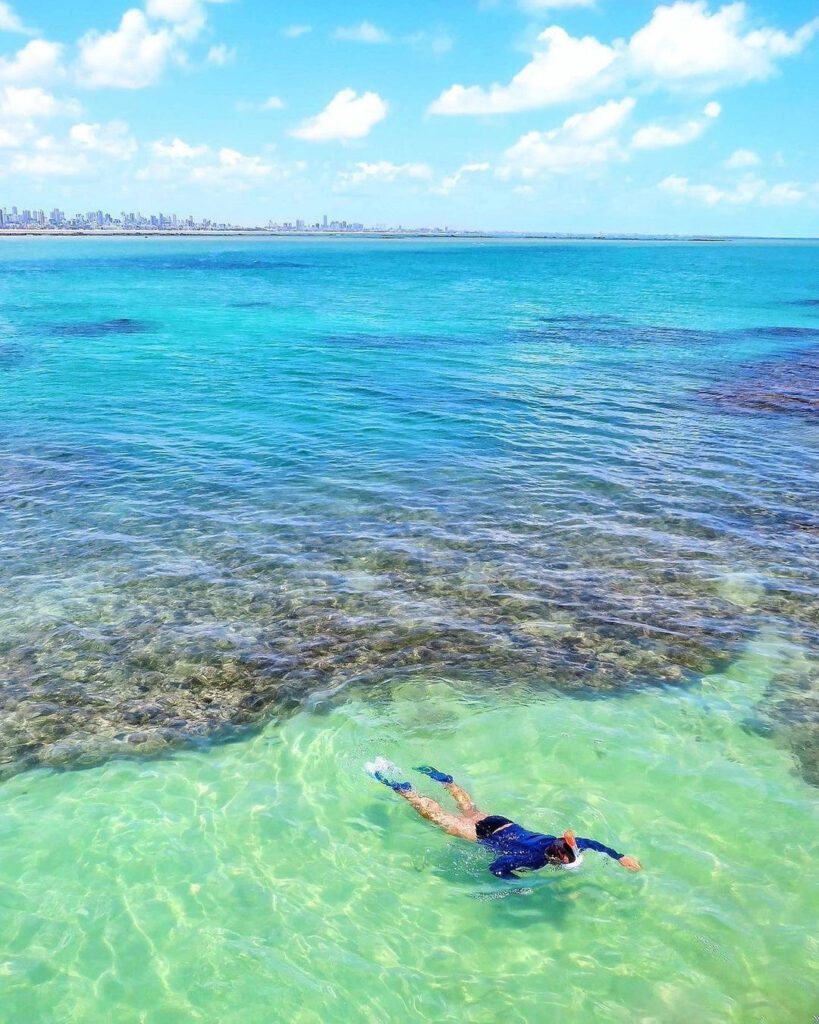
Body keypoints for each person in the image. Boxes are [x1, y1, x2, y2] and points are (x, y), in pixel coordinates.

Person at [366, 760, 642, 879]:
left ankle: (448, 782)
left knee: (470, 807)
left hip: (503, 822)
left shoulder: (567, 843)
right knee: (435, 815)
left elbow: (592, 843)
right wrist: (517, 886)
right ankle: (402, 788)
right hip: (483, 834)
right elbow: (496, 869)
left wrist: (619, 856)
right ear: (559, 858)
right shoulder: (534, 862)